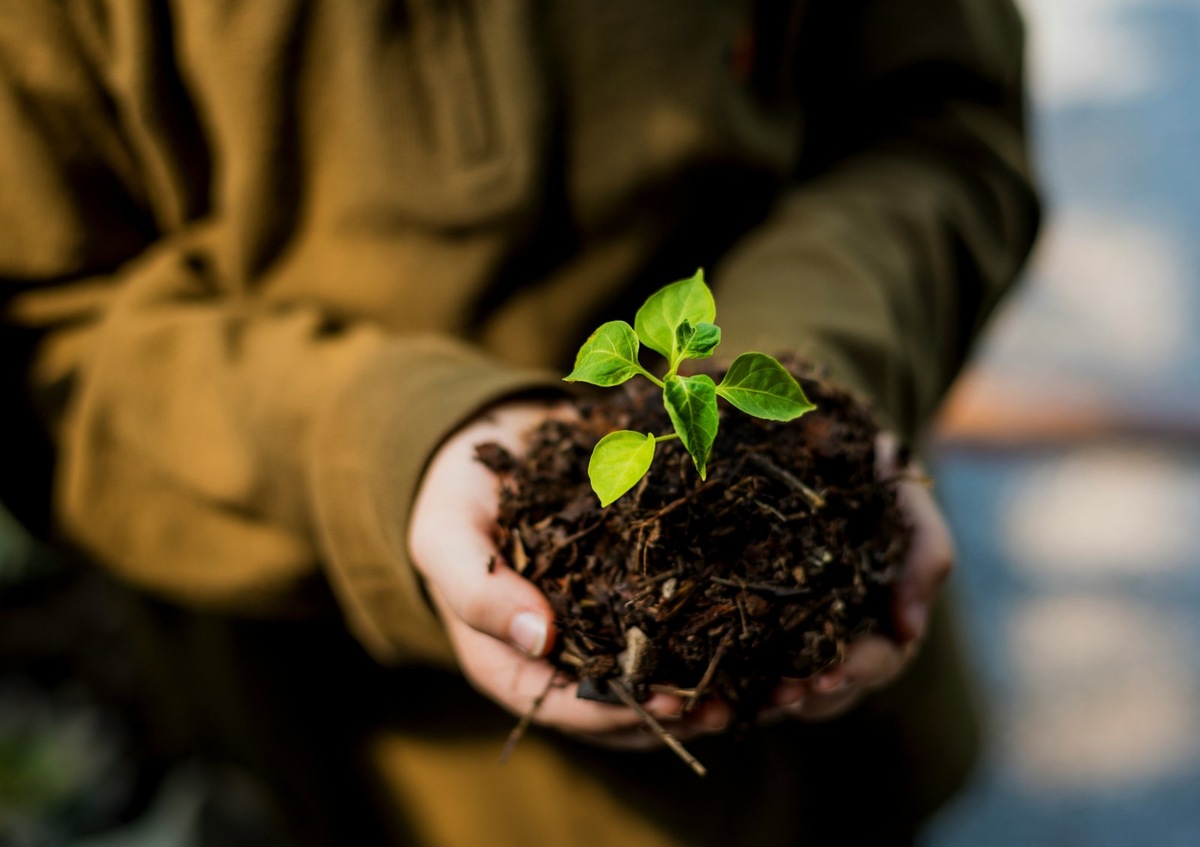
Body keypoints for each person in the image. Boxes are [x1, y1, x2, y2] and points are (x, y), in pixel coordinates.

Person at [0, 1, 1039, 844]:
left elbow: (941, 117)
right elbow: (41, 331)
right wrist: (393, 447)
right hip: (357, 763)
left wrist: (822, 364)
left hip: (830, 762)